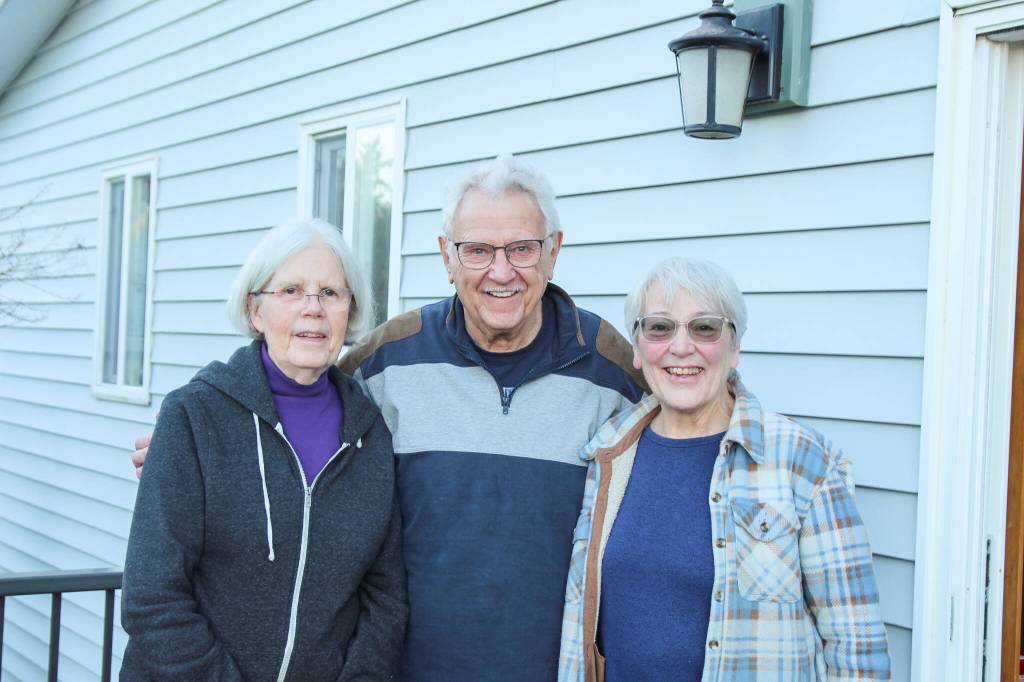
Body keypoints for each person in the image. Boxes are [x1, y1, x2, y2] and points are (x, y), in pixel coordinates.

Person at [133, 156, 646, 681]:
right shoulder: (387, 363)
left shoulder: (613, 368)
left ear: (553, 251)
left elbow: (680, 439)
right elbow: (292, 388)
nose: (500, 271)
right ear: (447, 256)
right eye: (477, 250)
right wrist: (192, 445)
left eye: (522, 248)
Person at [558, 257, 891, 681]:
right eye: (659, 327)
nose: (681, 347)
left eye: (704, 328)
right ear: (638, 349)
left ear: (734, 348)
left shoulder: (802, 461)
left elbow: (858, 646)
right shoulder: (607, 456)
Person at [121, 219, 407, 681]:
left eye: (330, 293)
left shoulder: (370, 435)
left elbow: (385, 598)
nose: (313, 308)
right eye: (291, 290)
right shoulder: (194, 416)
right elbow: (152, 597)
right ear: (256, 311)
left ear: (349, 312)